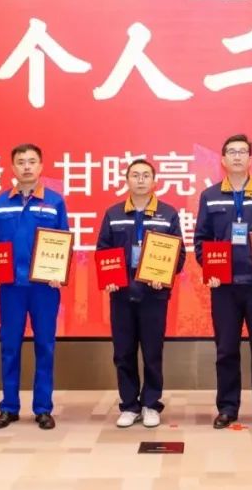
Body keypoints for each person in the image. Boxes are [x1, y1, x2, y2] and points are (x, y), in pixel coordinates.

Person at [195, 134, 252, 430]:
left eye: (242, 152)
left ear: (250, 159)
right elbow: (201, 240)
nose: (237, 156)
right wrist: (209, 269)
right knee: (226, 350)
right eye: (231, 152)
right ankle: (227, 408)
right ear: (222, 160)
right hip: (224, 288)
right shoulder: (210, 196)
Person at [0, 143, 69, 430]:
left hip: (44, 287)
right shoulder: (0, 202)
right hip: (11, 287)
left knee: (45, 346)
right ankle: (9, 407)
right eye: (21, 162)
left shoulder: (54, 202)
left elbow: (62, 239)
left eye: (32, 161)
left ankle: (43, 408)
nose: (27, 166)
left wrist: (58, 272)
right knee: (10, 347)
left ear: (41, 166)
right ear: (13, 167)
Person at [96, 158, 186, 429]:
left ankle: (150, 404)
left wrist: (164, 275)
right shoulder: (113, 213)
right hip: (122, 294)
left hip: (153, 295)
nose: (141, 180)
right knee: (123, 352)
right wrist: (109, 278)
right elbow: (103, 250)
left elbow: (179, 254)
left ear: (155, 181)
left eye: (146, 175)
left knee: (152, 352)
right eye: (135, 175)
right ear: (127, 180)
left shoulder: (167, 213)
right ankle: (129, 405)